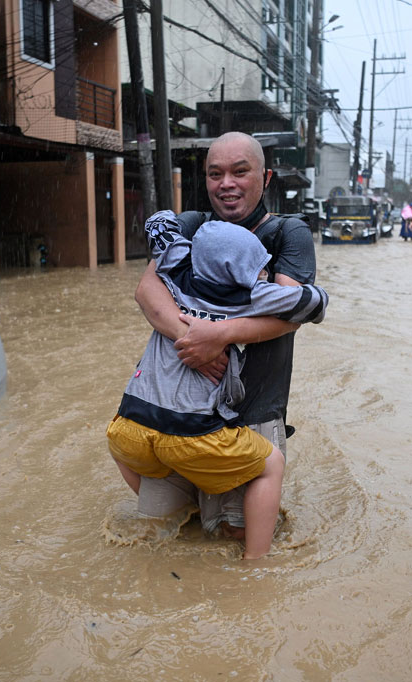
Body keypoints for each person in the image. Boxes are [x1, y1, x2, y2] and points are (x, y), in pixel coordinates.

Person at [109, 211, 328, 559]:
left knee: (155, 478)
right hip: (192, 434)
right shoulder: (249, 296)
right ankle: (256, 564)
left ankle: (187, 514)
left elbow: (157, 223)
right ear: (242, 274)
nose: (264, 271)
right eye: (260, 266)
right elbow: (313, 304)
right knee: (271, 464)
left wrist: (184, 242)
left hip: (126, 430)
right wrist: (272, 287)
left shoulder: (176, 271)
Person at [133, 131, 317, 542]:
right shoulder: (192, 225)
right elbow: (147, 290)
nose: (226, 183)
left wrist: (219, 335)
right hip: (178, 408)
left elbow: (288, 312)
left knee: (238, 534)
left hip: (253, 409)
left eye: (240, 171)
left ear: (265, 178)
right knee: (168, 528)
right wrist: (194, 341)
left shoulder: (289, 233)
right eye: (215, 174)